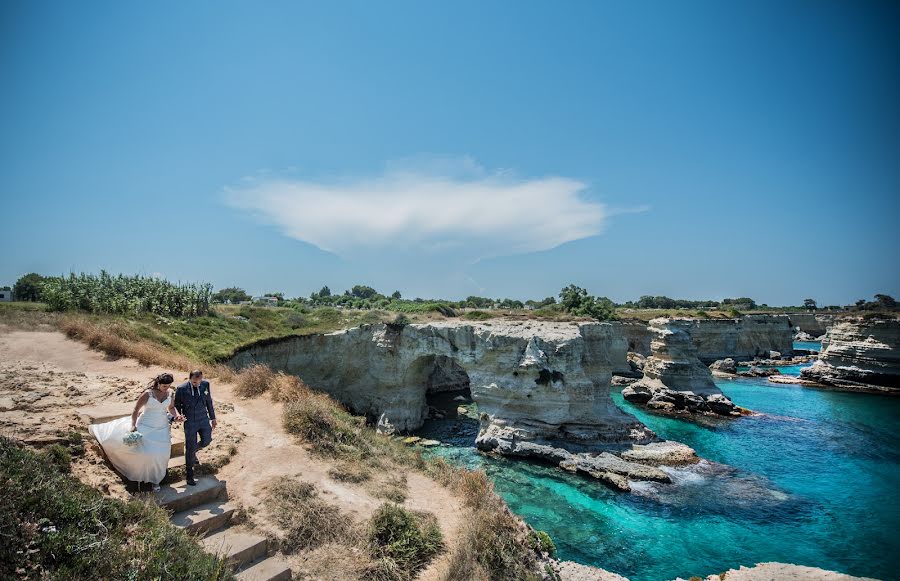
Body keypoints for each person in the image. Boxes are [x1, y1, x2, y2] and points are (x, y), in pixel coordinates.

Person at [89, 373, 184, 492]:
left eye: (168, 386)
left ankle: (155, 480)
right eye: (164, 386)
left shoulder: (170, 393)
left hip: (162, 427)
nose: (166, 388)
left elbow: (171, 408)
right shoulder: (148, 394)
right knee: (144, 453)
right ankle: (140, 476)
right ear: (158, 383)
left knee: (161, 454)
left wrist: (177, 416)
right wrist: (133, 425)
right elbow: (136, 410)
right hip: (145, 426)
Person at [174, 369, 217, 486]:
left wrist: (213, 418)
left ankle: (194, 451)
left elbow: (209, 402)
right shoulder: (181, 389)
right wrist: (179, 416)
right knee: (189, 447)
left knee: (207, 441)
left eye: (199, 381)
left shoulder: (205, 384)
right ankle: (189, 475)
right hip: (190, 422)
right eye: (194, 382)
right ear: (190, 379)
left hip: (203, 419)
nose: (197, 384)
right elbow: (176, 406)